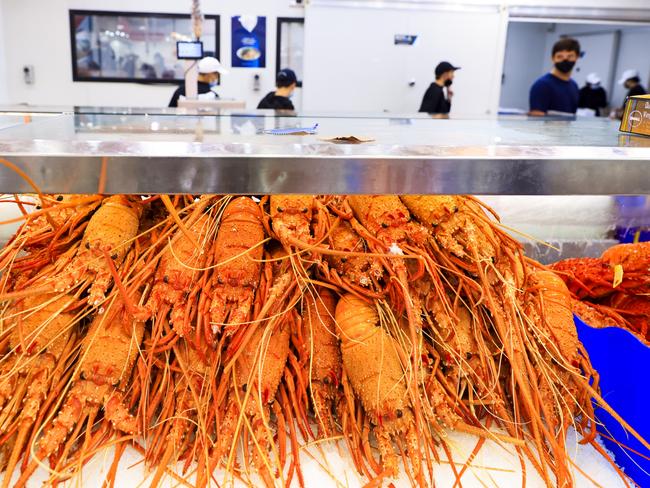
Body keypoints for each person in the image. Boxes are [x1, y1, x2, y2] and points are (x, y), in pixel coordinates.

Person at [529, 38, 580, 116]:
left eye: (570, 56)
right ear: (552, 58)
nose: (565, 60)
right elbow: (536, 121)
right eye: (560, 56)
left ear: (577, 57)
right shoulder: (542, 85)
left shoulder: (574, 86)